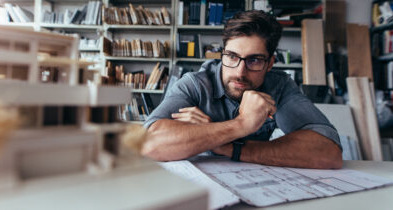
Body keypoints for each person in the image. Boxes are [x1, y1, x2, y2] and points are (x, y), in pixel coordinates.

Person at [141, 10, 343, 169]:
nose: (240, 71)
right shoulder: (195, 84)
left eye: (254, 60)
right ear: (222, 54)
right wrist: (241, 125)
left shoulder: (279, 86)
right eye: (232, 56)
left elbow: (329, 152)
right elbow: (148, 145)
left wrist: (226, 147)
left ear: (270, 63)